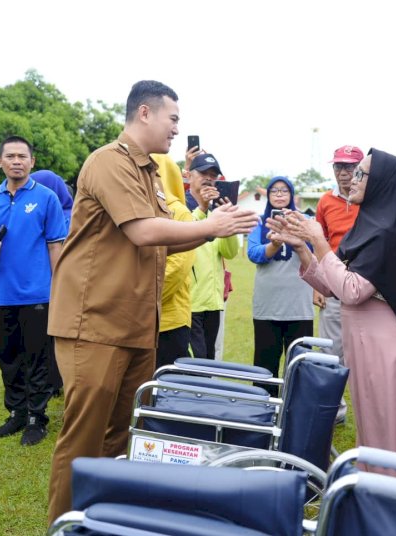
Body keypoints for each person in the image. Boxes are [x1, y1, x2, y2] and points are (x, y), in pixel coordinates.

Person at [46, 80, 257, 523]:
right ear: (145, 113)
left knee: (119, 436)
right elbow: (143, 231)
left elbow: (165, 239)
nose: (177, 129)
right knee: (82, 439)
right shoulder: (109, 162)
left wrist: (209, 222)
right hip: (95, 323)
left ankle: (97, 520)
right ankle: (64, 526)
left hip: (137, 323)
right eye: (173, 118)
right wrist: (210, 227)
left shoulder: (152, 172)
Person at [271, 149, 396, 487]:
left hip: (389, 345)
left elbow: (353, 289)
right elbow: (332, 287)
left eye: (361, 174)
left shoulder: (387, 232)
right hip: (364, 342)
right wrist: (302, 248)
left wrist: (318, 239)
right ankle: (375, 501)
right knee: (372, 429)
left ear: (383, 183)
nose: (352, 180)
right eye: (353, 173)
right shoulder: (366, 225)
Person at [0, 136, 68, 446]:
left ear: (32, 162)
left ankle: (36, 418)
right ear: (0, 162)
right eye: (10, 156)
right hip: (0, 294)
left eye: (22, 156)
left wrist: (61, 289)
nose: (17, 161)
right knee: (8, 357)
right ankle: (16, 413)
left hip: (39, 294)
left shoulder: (46, 199)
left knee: (38, 359)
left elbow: (56, 246)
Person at [247, 176, 314, 395]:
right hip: (268, 305)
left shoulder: (304, 221)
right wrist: (274, 244)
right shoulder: (260, 221)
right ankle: (264, 409)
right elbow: (254, 253)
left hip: (299, 304)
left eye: (284, 191)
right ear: (268, 195)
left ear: (292, 195)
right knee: (265, 363)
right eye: (274, 191)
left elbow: (315, 256)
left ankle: (296, 410)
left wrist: (295, 234)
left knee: (300, 363)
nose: (279, 195)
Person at [314, 145, 363, 422]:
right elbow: (319, 243)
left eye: (349, 167)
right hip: (333, 283)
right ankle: (335, 410)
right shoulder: (325, 202)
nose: (343, 173)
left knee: (364, 349)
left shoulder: (368, 199)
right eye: (338, 167)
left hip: (366, 283)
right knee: (330, 350)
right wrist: (316, 285)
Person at [186, 152, 239, 360]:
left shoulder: (217, 210)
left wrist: (228, 220)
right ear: (190, 176)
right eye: (203, 173)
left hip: (213, 302)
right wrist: (202, 208)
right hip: (189, 301)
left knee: (208, 361)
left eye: (213, 175)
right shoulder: (181, 204)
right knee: (193, 363)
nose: (209, 178)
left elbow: (230, 252)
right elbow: (182, 236)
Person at [30, 168, 74, 397]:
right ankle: (50, 381)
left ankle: (53, 382)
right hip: (45, 283)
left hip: (58, 282)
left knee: (53, 335)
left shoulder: (70, 215)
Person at [150, 153, 195, 368]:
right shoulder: (142, 209)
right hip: (141, 320)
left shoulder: (180, 213)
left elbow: (177, 268)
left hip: (169, 321)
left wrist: (141, 298)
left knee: (165, 388)